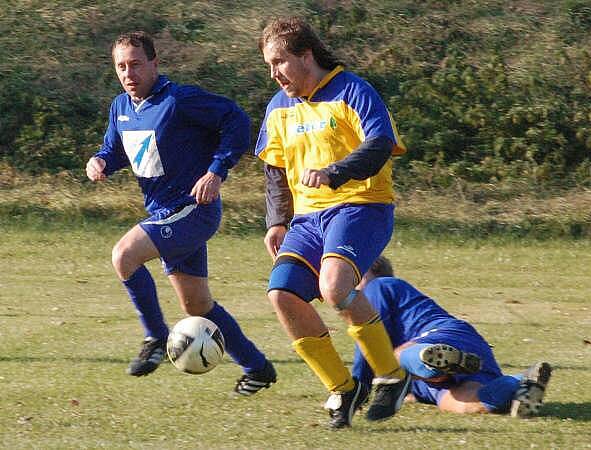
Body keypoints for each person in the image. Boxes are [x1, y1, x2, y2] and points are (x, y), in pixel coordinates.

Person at [85, 31, 276, 396]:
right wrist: (101, 162)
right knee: (198, 306)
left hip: (192, 210)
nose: (128, 73)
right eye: (121, 66)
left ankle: (156, 337)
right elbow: (115, 148)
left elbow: (235, 120)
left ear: (155, 64)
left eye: (136, 64)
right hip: (163, 213)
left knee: (124, 255)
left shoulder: (180, 100)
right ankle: (257, 368)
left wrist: (217, 171)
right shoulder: (121, 107)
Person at [255, 17, 410, 428]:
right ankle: (343, 388)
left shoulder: (353, 91)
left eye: (280, 62)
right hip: (307, 220)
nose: (274, 74)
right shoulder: (278, 108)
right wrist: (276, 221)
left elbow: (380, 145)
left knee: (335, 287)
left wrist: (334, 172)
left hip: (362, 206)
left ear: (306, 55)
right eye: (269, 66)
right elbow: (274, 170)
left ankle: (392, 377)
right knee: (281, 294)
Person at [352, 256, 553, 418]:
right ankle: (521, 382)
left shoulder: (379, 285)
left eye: (353, 276)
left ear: (372, 265)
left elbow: (368, 338)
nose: (349, 285)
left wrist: (355, 391)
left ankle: (432, 360)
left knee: (390, 359)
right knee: (458, 402)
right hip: (455, 365)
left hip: (445, 334)